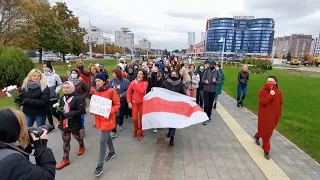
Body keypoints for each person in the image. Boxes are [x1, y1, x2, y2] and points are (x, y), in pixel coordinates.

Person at [0, 108, 56, 180]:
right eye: (23, 127)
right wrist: (41, 146)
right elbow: (48, 177)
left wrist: (24, 147)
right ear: (14, 130)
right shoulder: (13, 161)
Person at [92, 73, 120, 177]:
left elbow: (117, 104)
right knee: (106, 136)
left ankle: (99, 166)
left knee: (102, 141)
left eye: (99, 81)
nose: (97, 82)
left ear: (104, 81)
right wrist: (92, 109)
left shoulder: (111, 91)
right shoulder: (96, 90)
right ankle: (112, 152)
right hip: (100, 119)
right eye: (96, 81)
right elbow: (95, 103)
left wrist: (109, 111)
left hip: (108, 120)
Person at [55, 81, 86, 170]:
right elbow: (61, 109)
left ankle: (81, 145)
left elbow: (81, 110)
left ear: (72, 88)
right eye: (64, 88)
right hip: (64, 124)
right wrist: (56, 112)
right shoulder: (62, 98)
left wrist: (68, 114)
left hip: (74, 123)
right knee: (66, 142)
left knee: (78, 137)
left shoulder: (77, 98)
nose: (65, 89)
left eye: (67, 87)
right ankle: (65, 159)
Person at [254, 76, 283, 160]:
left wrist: (278, 113)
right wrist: (270, 95)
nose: (269, 82)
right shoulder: (262, 91)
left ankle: (257, 136)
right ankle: (266, 150)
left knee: (266, 130)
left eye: (271, 81)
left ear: (275, 83)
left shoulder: (278, 92)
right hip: (265, 115)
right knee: (267, 133)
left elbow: (280, 103)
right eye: (268, 81)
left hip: (274, 116)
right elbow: (263, 102)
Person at [161, 70, 186, 146]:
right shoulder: (166, 82)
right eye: (172, 74)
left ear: (177, 76)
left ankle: (172, 137)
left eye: (175, 75)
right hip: (167, 105)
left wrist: (189, 99)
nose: (173, 76)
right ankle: (170, 131)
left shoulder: (180, 84)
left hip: (176, 105)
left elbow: (183, 93)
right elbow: (161, 91)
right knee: (169, 120)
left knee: (174, 121)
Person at [126, 69, 149, 141]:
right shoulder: (133, 82)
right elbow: (128, 92)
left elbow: (142, 91)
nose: (139, 75)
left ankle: (141, 132)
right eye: (138, 73)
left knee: (142, 118)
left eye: (141, 74)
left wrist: (136, 84)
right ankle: (136, 129)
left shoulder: (145, 82)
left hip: (142, 103)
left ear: (144, 75)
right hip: (134, 103)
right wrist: (129, 102)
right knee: (134, 118)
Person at [68, 68, 89, 137]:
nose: (73, 74)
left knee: (81, 117)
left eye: (75, 73)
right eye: (72, 73)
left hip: (80, 102)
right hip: (71, 102)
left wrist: (81, 97)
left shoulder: (81, 82)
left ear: (78, 74)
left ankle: (82, 129)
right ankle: (76, 128)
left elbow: (86, 91)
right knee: (73, 116)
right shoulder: (69, 81)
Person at [109, 69, 130, 138]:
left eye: (114, 73)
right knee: (114, 115)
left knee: (121, 114)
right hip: (113, 101)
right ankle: (114, 130)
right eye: (112, 73)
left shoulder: (125, 81)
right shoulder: (111, 82)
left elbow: (128, 90)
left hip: (122, 100)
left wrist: (122, 95)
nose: (113, 75)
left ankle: (120, 123)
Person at [43, 62, 63, 130]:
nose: (45, 69)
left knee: (52, 110)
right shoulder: (43, 76)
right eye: (44, 67)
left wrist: (56, 91)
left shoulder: (55, 76)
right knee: (47, 112)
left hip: (53, 96)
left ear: (50, 68)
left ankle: (60, 118)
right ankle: (51, 125)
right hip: (45, 96)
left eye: (46, 67)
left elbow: (60, 84)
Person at [201, 61, 220, 125]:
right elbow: (202, 80)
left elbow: (219, 81)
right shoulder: (206, 72)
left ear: (215, 65)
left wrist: (215, 82)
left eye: (213, 65)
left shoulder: (217, 73)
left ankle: (209, 115)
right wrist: (205, 81)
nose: (211, 66)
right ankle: (204, 117)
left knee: (210, 104)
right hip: (206, 90)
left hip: (213, 91)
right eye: (210, 65)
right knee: (206, 104)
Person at [147, 66, 163, 133]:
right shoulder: (148, 78)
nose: (154, 72)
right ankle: (153, 124)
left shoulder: (161, 78)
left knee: (158, 111)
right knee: (152, 111)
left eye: (155, 71)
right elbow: (148, 87)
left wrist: (157, 79)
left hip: (158, 97)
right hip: (151, 97)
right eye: (153, 71)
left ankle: (157, 124)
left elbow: (161, 87)